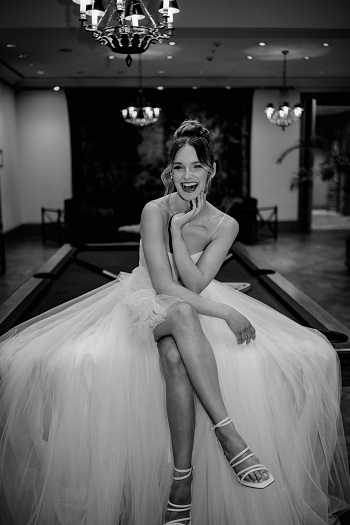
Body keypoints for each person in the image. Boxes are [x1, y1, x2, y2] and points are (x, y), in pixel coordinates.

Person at [0, 119, 349, 525]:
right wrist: (228, 310)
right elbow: (164, 285)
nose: (187, 176)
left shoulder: (226, 224)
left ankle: (181, 480)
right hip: (144, 302)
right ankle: (228, 434)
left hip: (188, 305)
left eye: (196, 166)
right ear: (169, 172)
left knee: (173, 358)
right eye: (179, 167)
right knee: (181, 312)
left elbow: (196, 282)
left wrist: (180, 235)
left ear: (211, 170)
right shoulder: (154, 210)